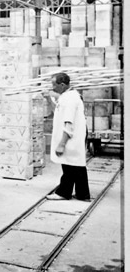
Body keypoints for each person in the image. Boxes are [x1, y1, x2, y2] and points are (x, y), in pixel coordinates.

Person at [45, 72, 90, 201]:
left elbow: (68, 122)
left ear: (63, 85)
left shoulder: (70, 98)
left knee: (72, 165)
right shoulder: (68, 95)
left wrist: (62, 143)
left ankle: (65, 192)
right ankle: (82, 194)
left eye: (54, 85)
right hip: (73, 137)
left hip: (70, 137)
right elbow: (59, 109)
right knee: (73, 165)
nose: (53, 88)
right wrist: (50, 98)